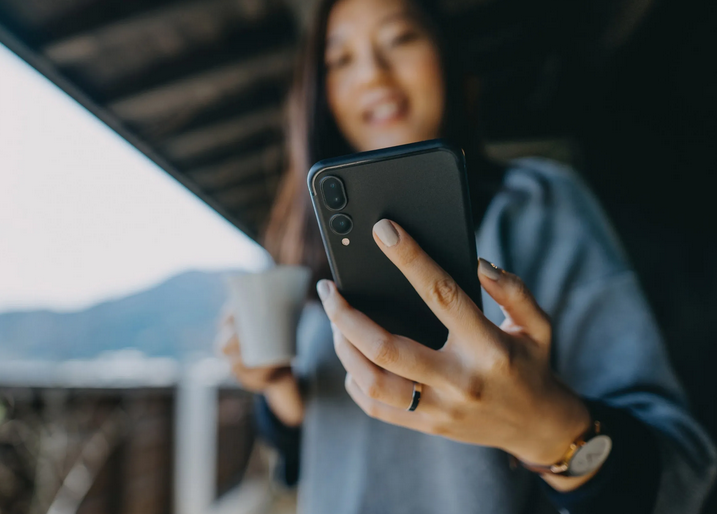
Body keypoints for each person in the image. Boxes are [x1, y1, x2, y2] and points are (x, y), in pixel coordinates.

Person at [217, 0, 717, 512]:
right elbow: (318, 450)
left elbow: (681, 469)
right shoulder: (313, 248)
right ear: (320, 95)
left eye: (399, 39)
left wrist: (547, 429)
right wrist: (278, 387)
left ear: (449, 61)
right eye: (340, 60)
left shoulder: (535, 203)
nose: (372, 73)